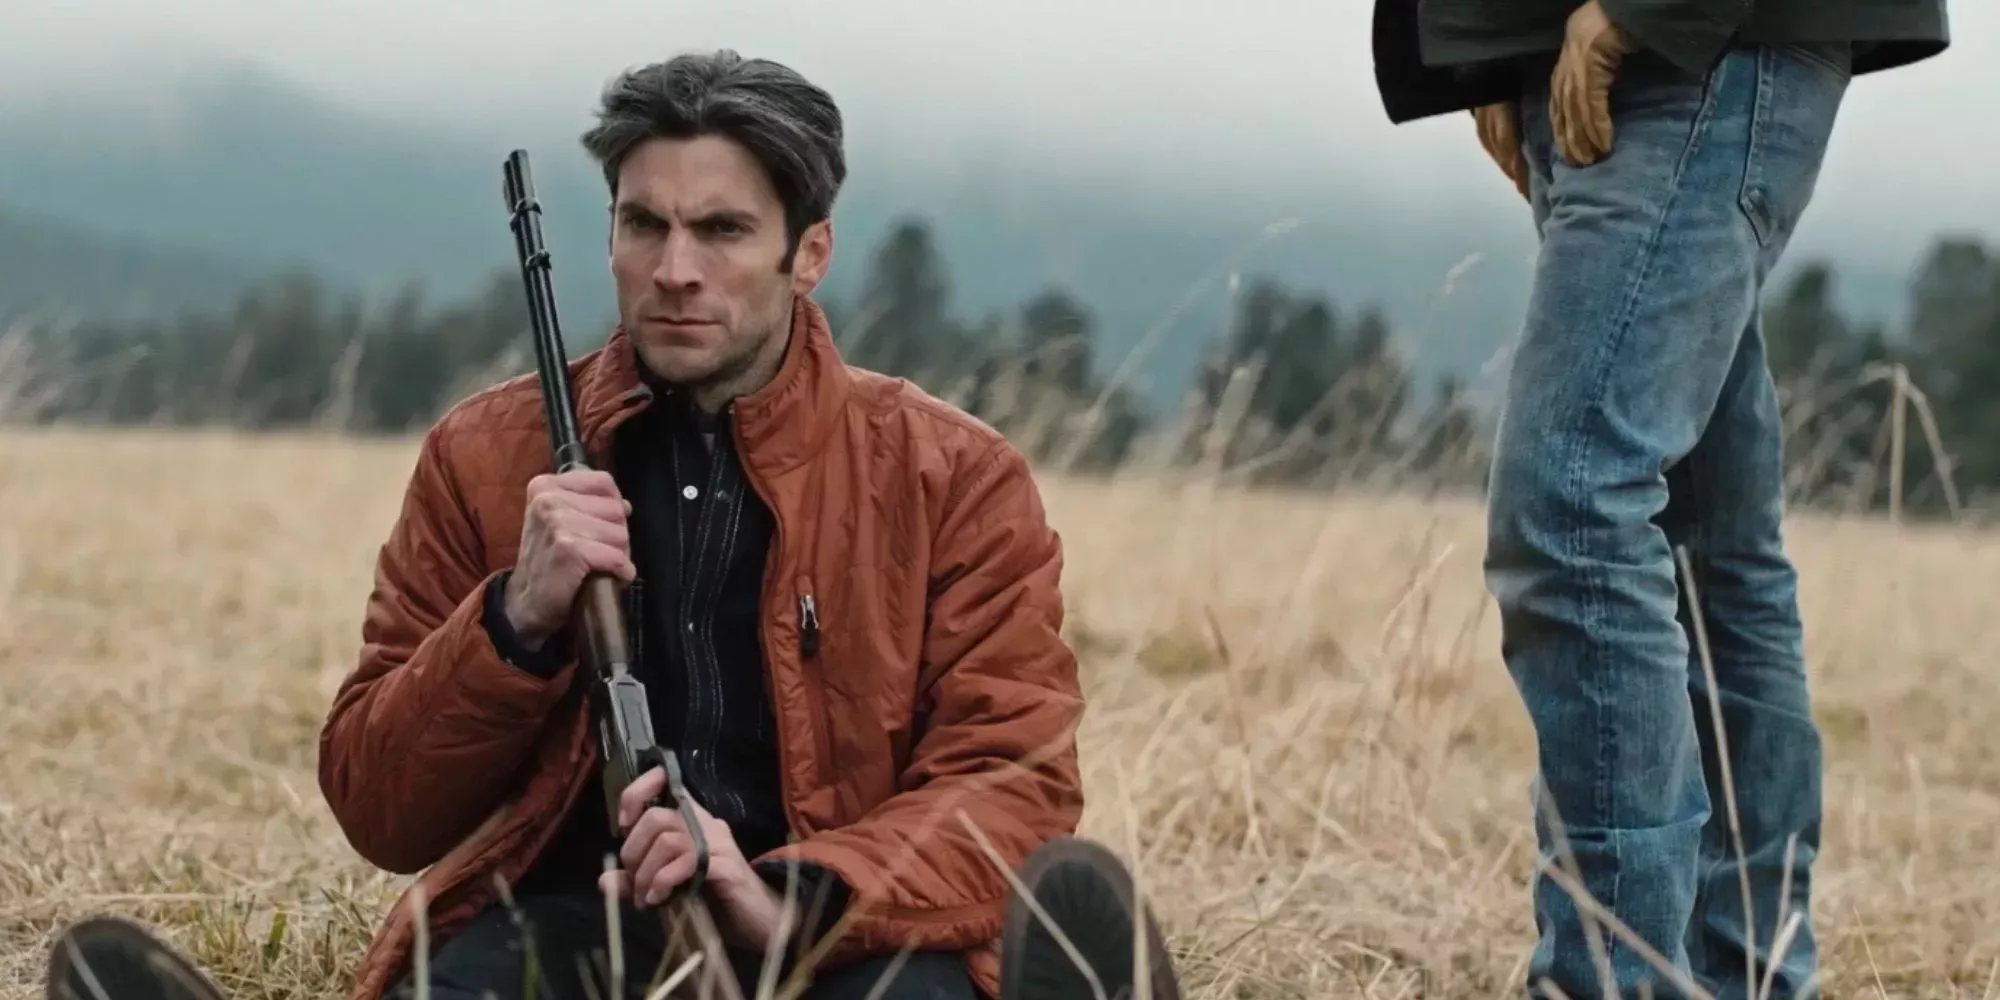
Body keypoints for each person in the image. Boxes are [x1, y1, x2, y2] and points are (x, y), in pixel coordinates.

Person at [313, 49, 1182, 1000]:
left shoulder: (953, 477)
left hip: (846, 931)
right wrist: (514, 622)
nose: (675, 271)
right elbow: (377, 807)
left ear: (809, 253)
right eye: (644, 225)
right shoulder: (481, 456)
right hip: (579, 923)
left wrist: (793, 897)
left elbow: (1013, 781)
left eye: (722, 230)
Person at [1370, 1, 1948, 998]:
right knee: (1704, 542)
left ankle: (1616, 978)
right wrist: (1480, 51)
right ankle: (1739, 977)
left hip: (1688, 39)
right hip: (1594, 45)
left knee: (1573, 499)